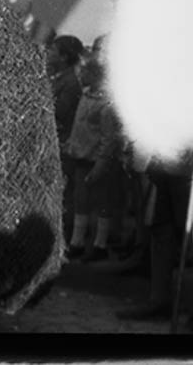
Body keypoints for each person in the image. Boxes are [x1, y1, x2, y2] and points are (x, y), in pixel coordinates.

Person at [62, 39, 123, 263]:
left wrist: (102, 163)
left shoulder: (106, 105)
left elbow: (108, 138)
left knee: (102, 202)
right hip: (80, 155)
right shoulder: (87, 97)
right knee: (81, 200)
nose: (81, 77)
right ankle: (77, 242)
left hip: (97, 160)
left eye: (85, 74)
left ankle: (100, 243)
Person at [47, 34, 84, 243]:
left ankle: (64, 236)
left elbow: (60, 112)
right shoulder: (61, 77)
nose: (50, 53)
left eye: (54, 50)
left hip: (64, 141)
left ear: (63, 56)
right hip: (59, 140)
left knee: (64, 192)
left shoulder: (69, 82)